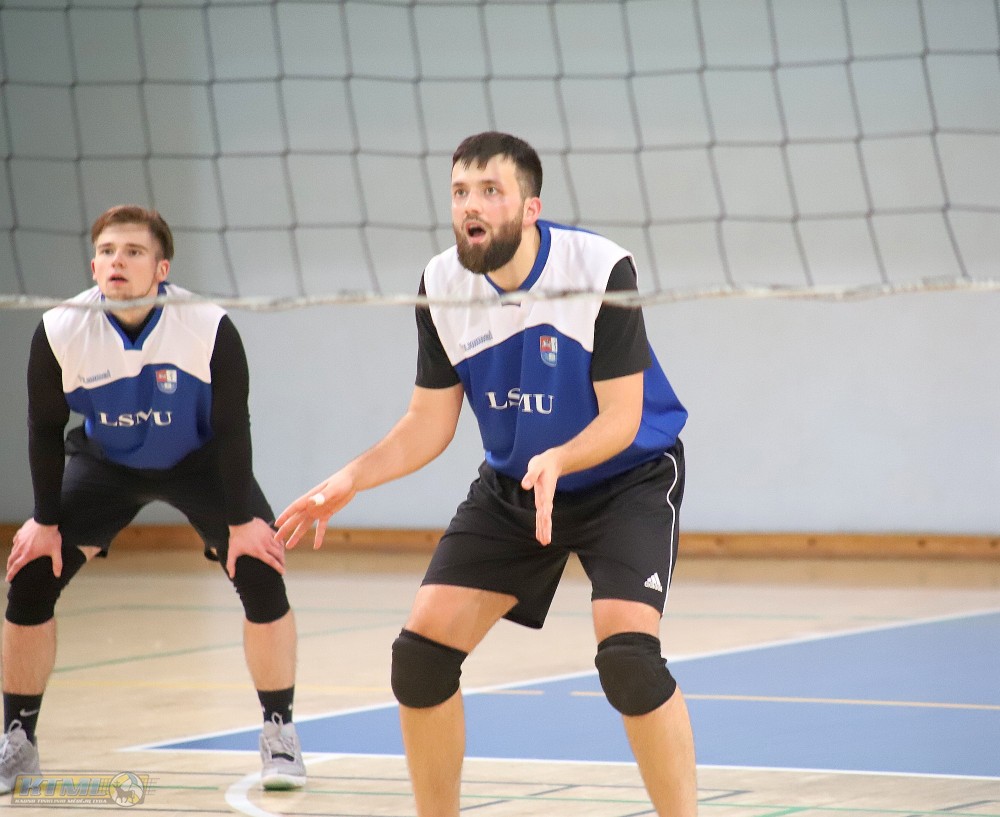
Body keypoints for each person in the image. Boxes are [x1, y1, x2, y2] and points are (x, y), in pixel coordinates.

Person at [276, 132, 697, 815]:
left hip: (627, 477)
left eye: (490, 191)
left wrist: (561, 457)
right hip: (516, 487)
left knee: (629, 660)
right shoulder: (442, 284)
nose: (470, 205)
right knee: (420, 659)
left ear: (531, 208)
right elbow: (429, 421)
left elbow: (624, 416)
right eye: (460, 192)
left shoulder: (598, 267)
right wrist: (351, 477)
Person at [0, 205, 306, 793]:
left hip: (201, 460)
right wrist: (44, 521)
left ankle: (280, 734)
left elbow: (233, 426)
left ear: (161, 269)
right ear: (94, 266)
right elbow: (44, 429)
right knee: (33, 574)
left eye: (134, 252)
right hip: (105, 464)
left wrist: (241, 521)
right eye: (107, 251)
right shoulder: (60, 329)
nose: (118, 261)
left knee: (261, 569)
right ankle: (18, 741)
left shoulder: (206, 325)